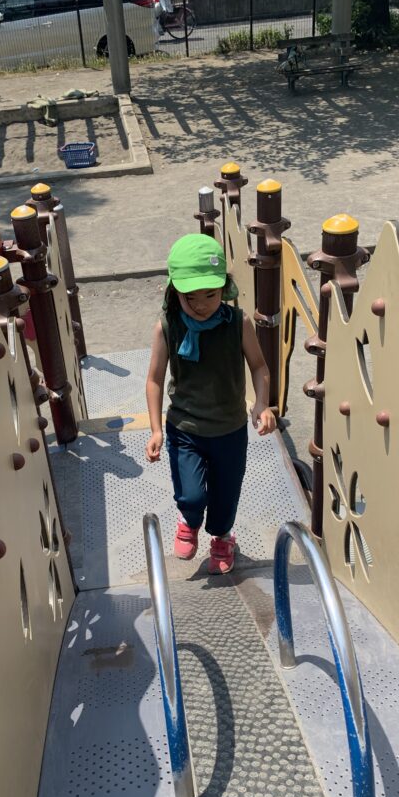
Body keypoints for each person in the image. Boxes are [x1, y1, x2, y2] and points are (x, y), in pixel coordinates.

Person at [145, 233, 276, 575]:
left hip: (229, 429)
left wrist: (262, 404)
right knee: (191, 496)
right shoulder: (167, 327)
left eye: (211, 294)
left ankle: (222, 536)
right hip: (185, 428)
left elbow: (259, 366)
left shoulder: (238, 324)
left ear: (224, 288)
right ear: (174, 291)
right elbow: (155, 379)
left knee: (225, 494)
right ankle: (188, 520)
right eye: (190, 297)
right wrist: (156, 429)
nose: (201, 305)